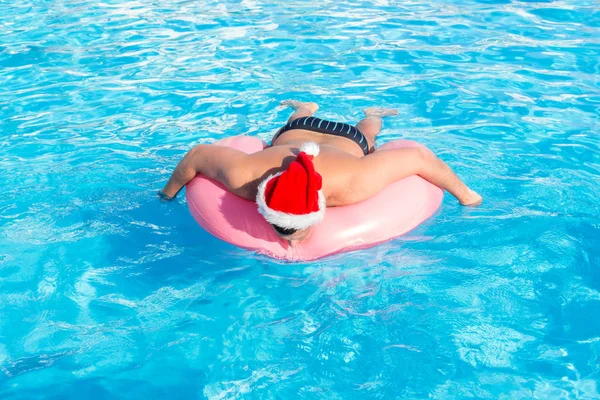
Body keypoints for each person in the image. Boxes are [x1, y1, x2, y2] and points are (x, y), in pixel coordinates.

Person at [160, 101, 482, 246]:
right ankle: (309, 109)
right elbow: (197, 154)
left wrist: (466, 196)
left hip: (342, 138)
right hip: (300, 132)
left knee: (367, 137)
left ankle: (369, 115)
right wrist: (167, 195)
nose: (289, 242)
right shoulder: (246, 177)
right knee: (297, 134)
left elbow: (419, 158)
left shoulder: (354, 183)